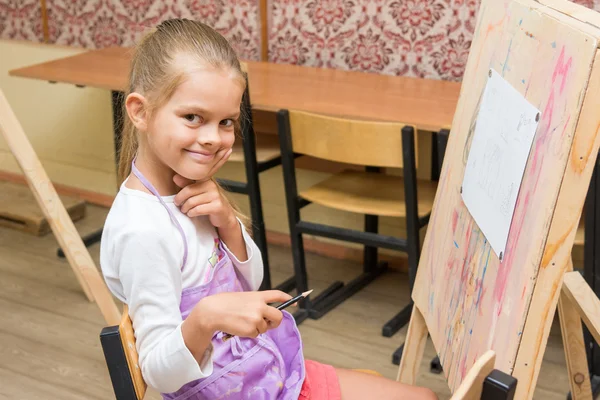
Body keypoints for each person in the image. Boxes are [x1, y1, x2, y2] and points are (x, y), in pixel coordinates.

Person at [99, 18, 437, 400]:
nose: (213, 138)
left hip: (268, 373)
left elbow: (250, 282)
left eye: (226, 122)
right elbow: (158, 374)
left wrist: (227, 223)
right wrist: (207, 317)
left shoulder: (190, 189)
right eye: (193, 117)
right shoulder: (142, 231)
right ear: (140, 112)